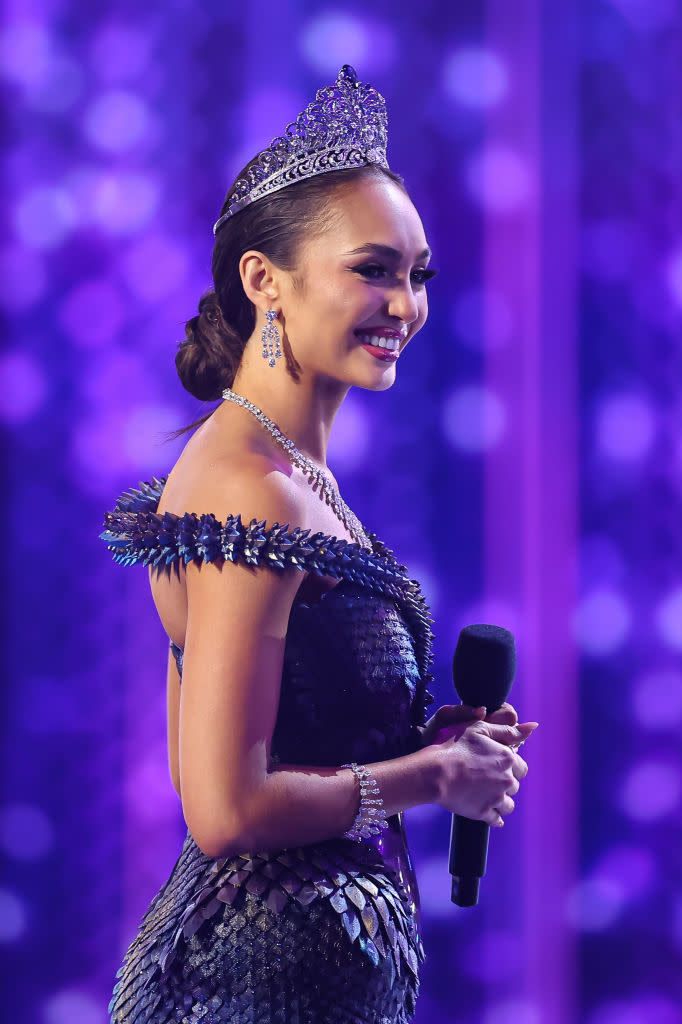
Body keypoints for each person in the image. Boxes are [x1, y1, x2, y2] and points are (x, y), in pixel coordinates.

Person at [101, 65, 538, 1024]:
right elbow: (224, 808)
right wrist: (434, 778)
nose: (406, 304)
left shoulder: (280, 468)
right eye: (372, 269)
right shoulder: (250, 489)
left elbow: (278, 745)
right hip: (256, 983)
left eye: (418, 274)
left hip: (302, 969)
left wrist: (421, 744)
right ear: (265, 280)